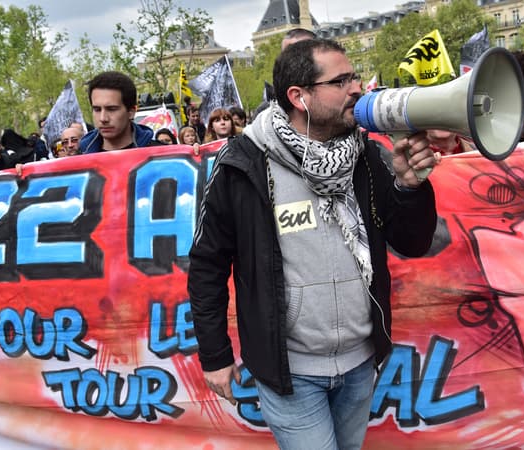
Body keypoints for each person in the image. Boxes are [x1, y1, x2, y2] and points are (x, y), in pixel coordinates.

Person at [188, 38, 439, 450]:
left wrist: (410, 187)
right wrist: (214, 355)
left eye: (354, 75)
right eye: (340, 80)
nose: (356, 88)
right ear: (298, 97)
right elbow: (207, 266)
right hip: (292, 372)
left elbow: (412, 242)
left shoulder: (367, 157)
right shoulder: (242, 165)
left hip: (360, 363)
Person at [79, 71, 154, 153]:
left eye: (111, 109)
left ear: (131, 112)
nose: (103, 118)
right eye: (97, 109)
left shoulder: (160, 156)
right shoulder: (78, 159)